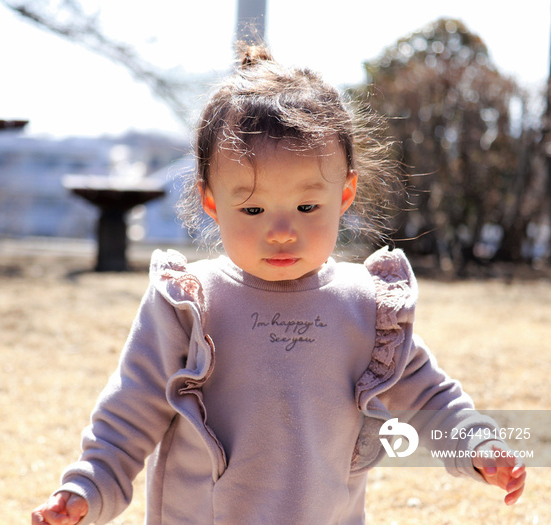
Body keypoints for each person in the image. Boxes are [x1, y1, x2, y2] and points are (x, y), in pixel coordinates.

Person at [32, 44, 526, 525]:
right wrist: (86, 489)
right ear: (211, 201)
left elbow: (430, 398)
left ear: (345, 193)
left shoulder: (366, 307)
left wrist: (477, 443)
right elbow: (128, 414)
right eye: (252, 209)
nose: (282, 230)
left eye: (307, 207)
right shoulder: (189, 306)